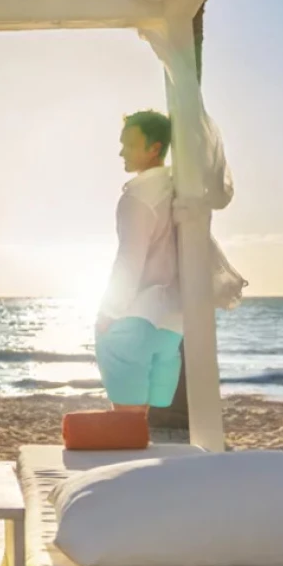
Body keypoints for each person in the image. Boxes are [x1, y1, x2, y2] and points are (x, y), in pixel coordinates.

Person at [95, 110, 183, 415]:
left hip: (136, 320)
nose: (122, 151)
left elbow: (129, 261)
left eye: (130, 144)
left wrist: (108, 312)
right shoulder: (175, 188)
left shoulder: (137, 198)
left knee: (128, 424)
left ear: (154, 148)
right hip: (172, 322)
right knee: (147, 421)